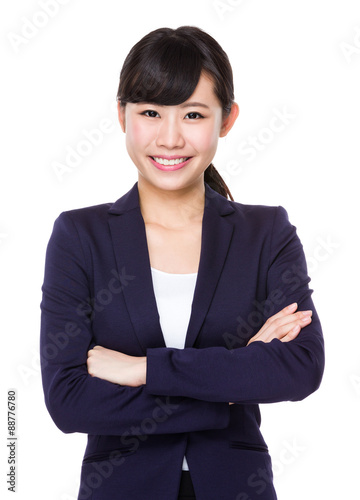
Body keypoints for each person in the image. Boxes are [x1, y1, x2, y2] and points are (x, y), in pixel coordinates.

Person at [40, 26, 325, 500]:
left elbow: (300, 366)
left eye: (193, 114)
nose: (170, 138)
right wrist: (229, 385)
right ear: (122, 116)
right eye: (150, 112)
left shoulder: (266, 233)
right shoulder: (80, 236)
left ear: (227, 119)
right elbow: (69, 401)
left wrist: (143, 370)